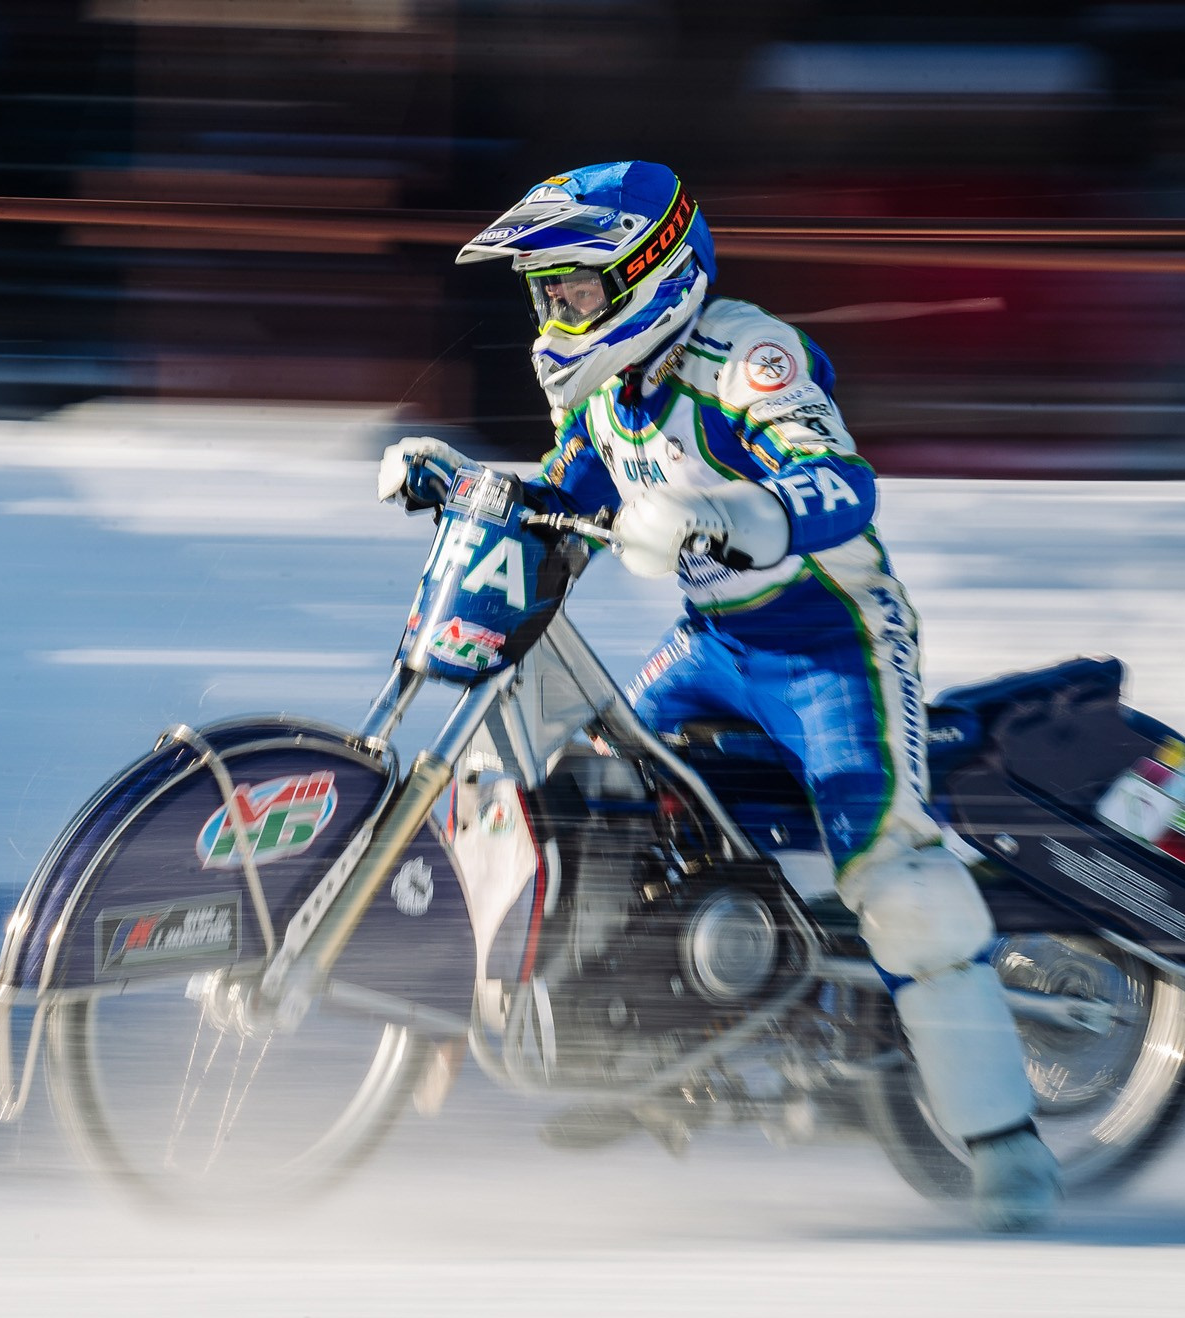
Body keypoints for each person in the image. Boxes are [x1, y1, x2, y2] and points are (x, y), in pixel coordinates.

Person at [378, 161, 1060, 1231]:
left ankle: (1005, 1146)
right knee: (597, 808)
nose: (555, 310)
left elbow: (838, 482)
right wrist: (457, 479)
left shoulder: (745, 356)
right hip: (712, 643)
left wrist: (732, 518)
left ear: (646, 272)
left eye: (571, 288)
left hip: (829, 642)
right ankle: (631, 1057)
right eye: (544, 292)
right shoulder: (611, 394)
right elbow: (566, 498)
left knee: (896, 877)